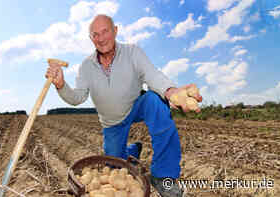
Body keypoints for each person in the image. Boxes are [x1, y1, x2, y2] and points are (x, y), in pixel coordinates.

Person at [46, 14, 202, 197]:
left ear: (115, 31)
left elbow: (152, 75)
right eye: (95, 34)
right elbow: (76, 98)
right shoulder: (86, 66)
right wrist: (61, 85)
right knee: (115, 164)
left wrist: (171, 92)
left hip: (136, 105)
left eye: (105, 31)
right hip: (112, 121)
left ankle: (162, 177)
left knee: (155, 101)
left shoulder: (132, 52)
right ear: (91, 39)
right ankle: (132, 150)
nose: (101, 38)